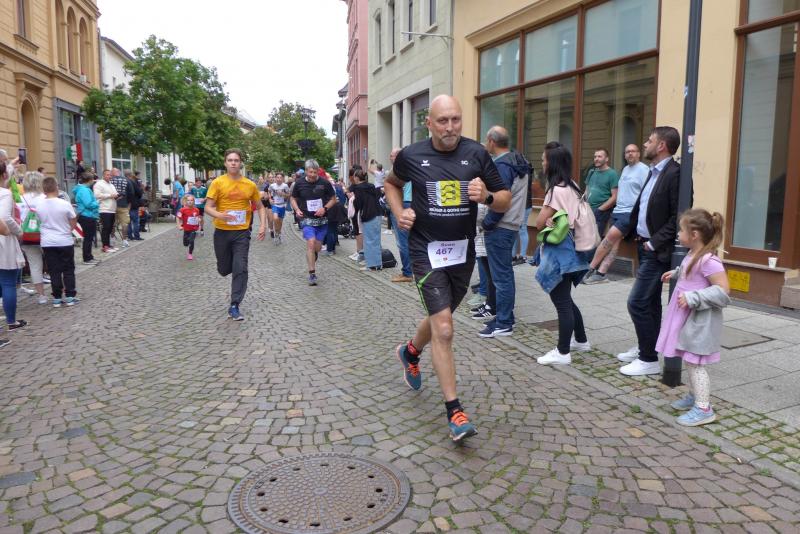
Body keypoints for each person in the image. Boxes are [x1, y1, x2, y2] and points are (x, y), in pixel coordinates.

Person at [384, 95, 510, 442]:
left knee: (441, 319)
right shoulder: (412, 155)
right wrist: (399, 213)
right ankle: (455, 412)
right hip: (425, 250)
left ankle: (410, 351)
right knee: (444, 327)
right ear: (429, 123)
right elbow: (391, 184)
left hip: (461, 252)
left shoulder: (477, 154)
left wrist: (487, 196)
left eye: (456, 119)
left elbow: (505, 198)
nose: (450, 127)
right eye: (443, 121)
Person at [619, 126, 686, 376]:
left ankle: (648, 359)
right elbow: (645, 206)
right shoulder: (654, 171)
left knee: (636, 302)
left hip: (657, 251)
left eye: (649, 140)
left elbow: (678, 217)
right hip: (643, 244)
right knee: (650, 303)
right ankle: (647, 347)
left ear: (661, 146)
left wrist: (654, 242)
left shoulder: (676, 174)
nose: (645, 144)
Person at [657, 209, 729, 426]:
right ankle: (695, 395)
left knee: (694, 362)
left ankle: (704, 409)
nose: (678, 234)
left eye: (681, 230)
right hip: (685, 316)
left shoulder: (709, 260)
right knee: (688, 358)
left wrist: (693, 297)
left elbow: (723, 291)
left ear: (694, 234)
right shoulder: (693, 254)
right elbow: (691, 270)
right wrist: (677, 273)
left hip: (698, 321)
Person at [532, 142, 592, 366]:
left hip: (559, 251)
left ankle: (563, 352)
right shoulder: (573, 186)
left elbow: (539, 223)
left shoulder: (555, 190)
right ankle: (581, 340)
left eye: (544, 159)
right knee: (566, 298)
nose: (542, 163)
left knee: (562, 302)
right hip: (573, 248)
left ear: (553, 163)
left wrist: (546, 218)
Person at [480, 126, 531, 338]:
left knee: (501, 278)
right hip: (510, 226)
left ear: (492, 141)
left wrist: (487, 223)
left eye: (486, 140)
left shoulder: (502, 165)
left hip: (500, 227)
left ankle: (504, 322)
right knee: (504, 275)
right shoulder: (516, 161)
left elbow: (501, 202)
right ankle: (504, 317)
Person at [204, 149, 266, 321]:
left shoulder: (250, 185)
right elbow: (208, 207)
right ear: (225, 163)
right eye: (230, 160)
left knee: (240, 266)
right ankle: (227, 267)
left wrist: (263, 225)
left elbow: (260, 206)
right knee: (224, 269)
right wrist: (219, 215)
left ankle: (234, 304)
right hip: (222, 232)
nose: (233, 163)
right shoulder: (217, 183)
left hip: (242, 232)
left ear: (240, 163)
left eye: (236, 160)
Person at [583, 144, 649, 284]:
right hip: (618, 210)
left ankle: (589, 269)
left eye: (633, 151)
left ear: (639, 154)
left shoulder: (644, 170)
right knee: (614, 243)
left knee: (609, 238)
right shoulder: (625, 169)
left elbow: (647, 194)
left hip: (630, 212)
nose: (630, 154)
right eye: (627, 152)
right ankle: (601, 274)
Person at [291, 159, 336, 286]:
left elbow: (333, 199)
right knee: (310, 243)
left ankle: (314, 253)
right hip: (307, 219)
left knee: (317, 247)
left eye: (315, 172)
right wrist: (297, 209)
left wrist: (324, 208)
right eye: (310, 172)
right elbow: (293, 198)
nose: (312, 175)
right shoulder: (299, 183)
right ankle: (312, 274)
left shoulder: (324, 183)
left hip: (322, 221)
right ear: (306, 171)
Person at [37, 177, 78, 307]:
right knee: (68, 268)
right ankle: (70, 295)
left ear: (44, 189)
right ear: (56, 187)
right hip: (64, 239)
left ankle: (57, 297)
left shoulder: (39, 205)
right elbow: (73, 219)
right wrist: (68, 230)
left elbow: (39, 220)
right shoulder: (64, 203)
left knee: (54, 270)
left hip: (48, 241)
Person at [0, 161, 26, 342]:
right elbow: (4, 218)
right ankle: (11, 321)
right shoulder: (4, 193)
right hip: (4, 238)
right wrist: (18, 231)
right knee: (8, 282)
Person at [384, 148, 414, 283]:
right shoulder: (414, 166)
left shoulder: (399, 169)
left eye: (392, 155)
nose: (390, 158)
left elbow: (394, 187)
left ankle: (407, 272)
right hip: (415, 203)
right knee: (415, 240)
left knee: (403, 242)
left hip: (403, 204)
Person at [19, 172, 48, 304]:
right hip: (45, 234)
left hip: (26, 235)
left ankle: (41, 295)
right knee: (53, 263)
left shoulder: (20, 198)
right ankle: (60, 292)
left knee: (35, 265)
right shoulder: (44, 198)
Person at [351, 169, 382, 270]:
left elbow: (358, 204)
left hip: (368, 215)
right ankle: (377, 264)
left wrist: (353, 200)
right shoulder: (371, 186)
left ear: (356, 178)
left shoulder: (358, 188)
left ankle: (371, 265)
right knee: (376, 240)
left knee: (369, 241)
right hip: (378, 213)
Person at [584, 148, 619, 238]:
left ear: (606, 159)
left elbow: (615, 197)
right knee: (585, 238)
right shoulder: (591, 172)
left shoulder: (612, 174)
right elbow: (586, 190)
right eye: (595, 157)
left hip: (601, 212)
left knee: (595, 239)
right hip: (588, 210)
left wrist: (600, 210)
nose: (596, 159)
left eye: (599, 156)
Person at [74, 173, 99, 264]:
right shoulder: (84, 190)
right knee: (88, 238)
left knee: (89, 238)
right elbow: (88, 204)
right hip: (87, 215)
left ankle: (89, 257)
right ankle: (87, 258)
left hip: (87, 215)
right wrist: (97, 202)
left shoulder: (82, 189)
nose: (93, 181)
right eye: (92, 180)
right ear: (89, 180)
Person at [94, 169, 119, 253]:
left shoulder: (111, 185)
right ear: (103, 175)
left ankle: (108, 245)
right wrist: (110, 195)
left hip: (112, 209)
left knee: (110, 228)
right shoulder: (99, 184)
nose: (109, 176)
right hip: (104, 209)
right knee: (106, 227)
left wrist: (118, 196)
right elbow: (96, 195)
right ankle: (105, 246)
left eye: (110, 175)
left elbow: (114, 194)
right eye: (107, 175)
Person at [110, 168, 132, 248]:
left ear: (112, 173)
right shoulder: (126, 180)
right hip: (123, 205)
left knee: (112, 223)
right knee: (124, 224)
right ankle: (124, 240)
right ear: (119, 172)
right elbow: (131, 193)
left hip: (112, 205)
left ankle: (112, 239)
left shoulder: (110, 180)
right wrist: (129, 204)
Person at [176, 194, 201, 260]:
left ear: (194, 201)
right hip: (186, 229)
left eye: (191, 200)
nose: (190, 202)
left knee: (191, 240)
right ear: (186, 201)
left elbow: (197, 217)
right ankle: (186, 243)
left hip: (194, 229)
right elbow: (178, 217)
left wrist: (199, 220)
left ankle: (190, 254)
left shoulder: (196, 210)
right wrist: (179, 226)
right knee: (186, 243)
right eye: (188, 200)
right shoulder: (182, 210)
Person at [268, 173, 290, 244]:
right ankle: (276, 233)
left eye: (280, 178)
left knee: (280, 223)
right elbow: (269, 192)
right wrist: (270, 199)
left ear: (283, 178)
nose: (279, 179)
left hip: (282, 205)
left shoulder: (285, 186)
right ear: (275, 178)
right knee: (275, 218)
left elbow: (289, 195)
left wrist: (283, 194)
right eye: (277, 177)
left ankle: (278, 233)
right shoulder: (272, 186)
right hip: (275, 205)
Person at [127, 171, 144, 241]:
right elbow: (139, 193)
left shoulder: (125, 182)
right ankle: (136, 236)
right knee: (135, 221)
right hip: (134, 203)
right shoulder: (133, 182)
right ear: (131, 175)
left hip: (126, 204)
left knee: (128, 221)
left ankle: (130, 236)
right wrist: (141, 189)